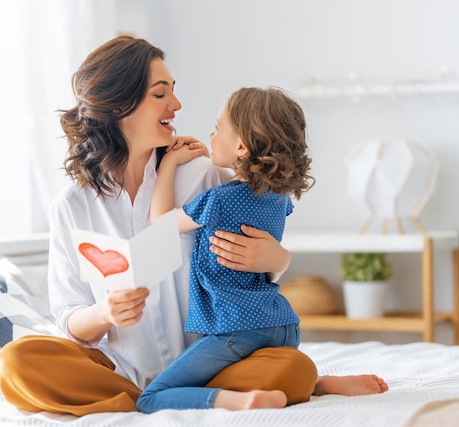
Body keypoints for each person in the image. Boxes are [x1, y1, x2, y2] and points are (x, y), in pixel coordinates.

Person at [0, 35, 320, 417]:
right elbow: (71, 320)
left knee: (295, 369)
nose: (177, 105)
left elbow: (253, 271)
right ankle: (149, 397)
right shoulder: (71, 206)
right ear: (119, 104)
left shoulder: (204, 176)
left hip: (213, 362)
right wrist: (105, 313)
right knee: (15, 364)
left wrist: (278, 258)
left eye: (173, 92)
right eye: (160, 94)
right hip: (116, 370)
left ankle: (164, 398)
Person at [135, 87, 388, 413]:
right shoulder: (278, 199)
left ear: (241, 145)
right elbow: (253, 206)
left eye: (217, 127)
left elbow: (160, 222)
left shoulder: (218, 200)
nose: (210, 134)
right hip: (282, 326)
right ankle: (318, 385)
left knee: (151, 397)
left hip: (237, 328)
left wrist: (169, 163)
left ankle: (239, 401)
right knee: (253, 370)